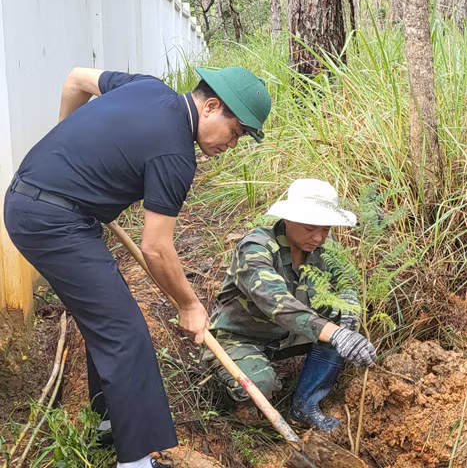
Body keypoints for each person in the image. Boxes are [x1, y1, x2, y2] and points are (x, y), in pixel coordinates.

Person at [4, 65, 271, 468]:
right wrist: (188, 304)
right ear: (212, 106)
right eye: (235, 133)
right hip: (52, 221)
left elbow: (75, 78)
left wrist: (66, 140)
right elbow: (156, 248)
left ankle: (110, 421)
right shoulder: (175, 153)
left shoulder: (146, 87)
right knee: (125, 333)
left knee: (109, 316)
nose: (232, 144)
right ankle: (136, 462)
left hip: (38, 203)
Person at [205, 178, 377, 431]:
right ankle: (232, 397)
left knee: (343, 323)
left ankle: (305, 404)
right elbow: (276, 302)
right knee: (259, 387)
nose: (318, 237)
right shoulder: (256, 249)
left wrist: (349, 298)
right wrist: (335, 333)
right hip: (241, 337)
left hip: (289, 336)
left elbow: (344, 277)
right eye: (310, 228)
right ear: (288, 219)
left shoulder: (323, 249)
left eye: (326, 229)